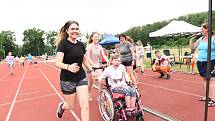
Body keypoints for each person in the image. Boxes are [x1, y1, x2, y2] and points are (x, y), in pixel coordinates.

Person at [55, 20, 95, 121]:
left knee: (85, 106)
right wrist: (69, 67)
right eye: (72, 29)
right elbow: (57, 62)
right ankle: (62, 106)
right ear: (67, 31)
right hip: (67, 80)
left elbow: (84, 59)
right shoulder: (63, 44)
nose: (75, 31)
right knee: (71, 106)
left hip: (81, 77)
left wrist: (91, 70)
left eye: (77, 29)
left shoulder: (81, 44)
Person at [189, 23, 215, 107]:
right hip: (201, 62)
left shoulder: (213, 39)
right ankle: (208, 96)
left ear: (207, 29)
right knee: (204, 79)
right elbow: (192, 48)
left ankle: (213, 99)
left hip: (210, 61)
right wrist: (191, 39)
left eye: (202, 29)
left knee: (211, 80)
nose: (201, 31)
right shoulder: (201, 38)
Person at [85, 32, 109, 101]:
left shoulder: (100, 46)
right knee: (90, 82)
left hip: (97, 65)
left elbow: (103, 55)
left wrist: (107, 61)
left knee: (101, 80)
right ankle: (88, 93)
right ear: (92, 38)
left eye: (97, 37)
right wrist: (93, 65)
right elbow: (88, 58)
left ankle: (100, 96)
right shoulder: (89, 46)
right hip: (89, 65)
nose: (97, 38)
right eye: (95, 36)